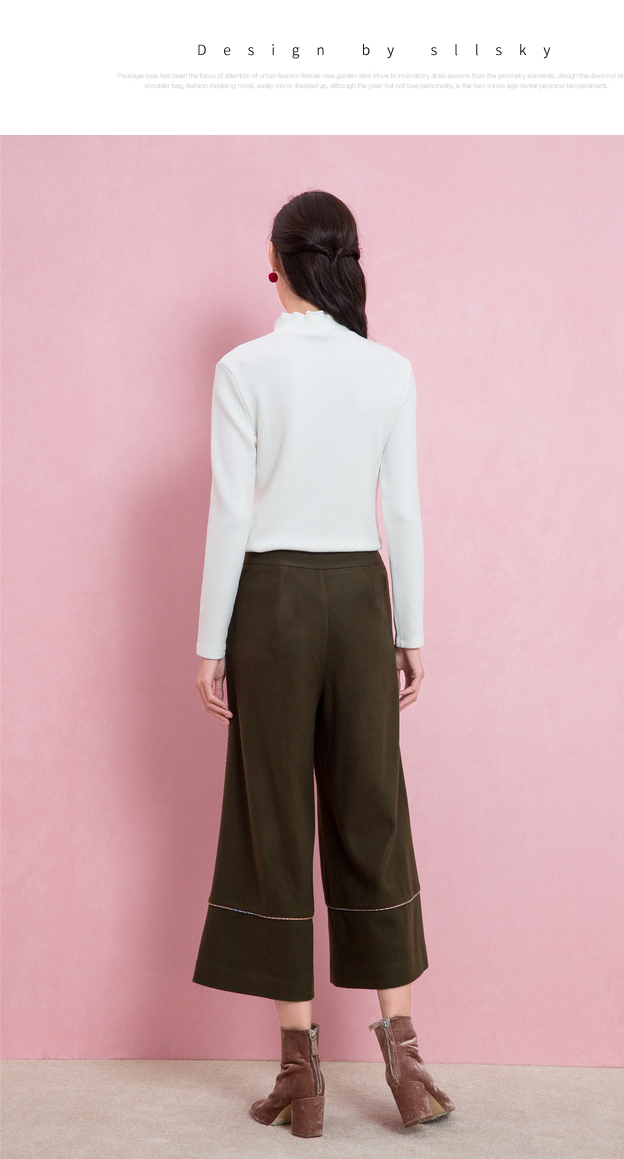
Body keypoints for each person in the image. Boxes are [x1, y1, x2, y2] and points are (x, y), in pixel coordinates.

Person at [192, 190, 455, 1137]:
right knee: (372, 809)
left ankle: (299, 1074)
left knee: (274, 815)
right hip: (358, 596)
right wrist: (409, 628)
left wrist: (210, 641)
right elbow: (405, 509)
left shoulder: (243, 368)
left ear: (277, 264)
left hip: (270, 601)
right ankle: (406, 1061)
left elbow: (233, 509)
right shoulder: (389, 370)